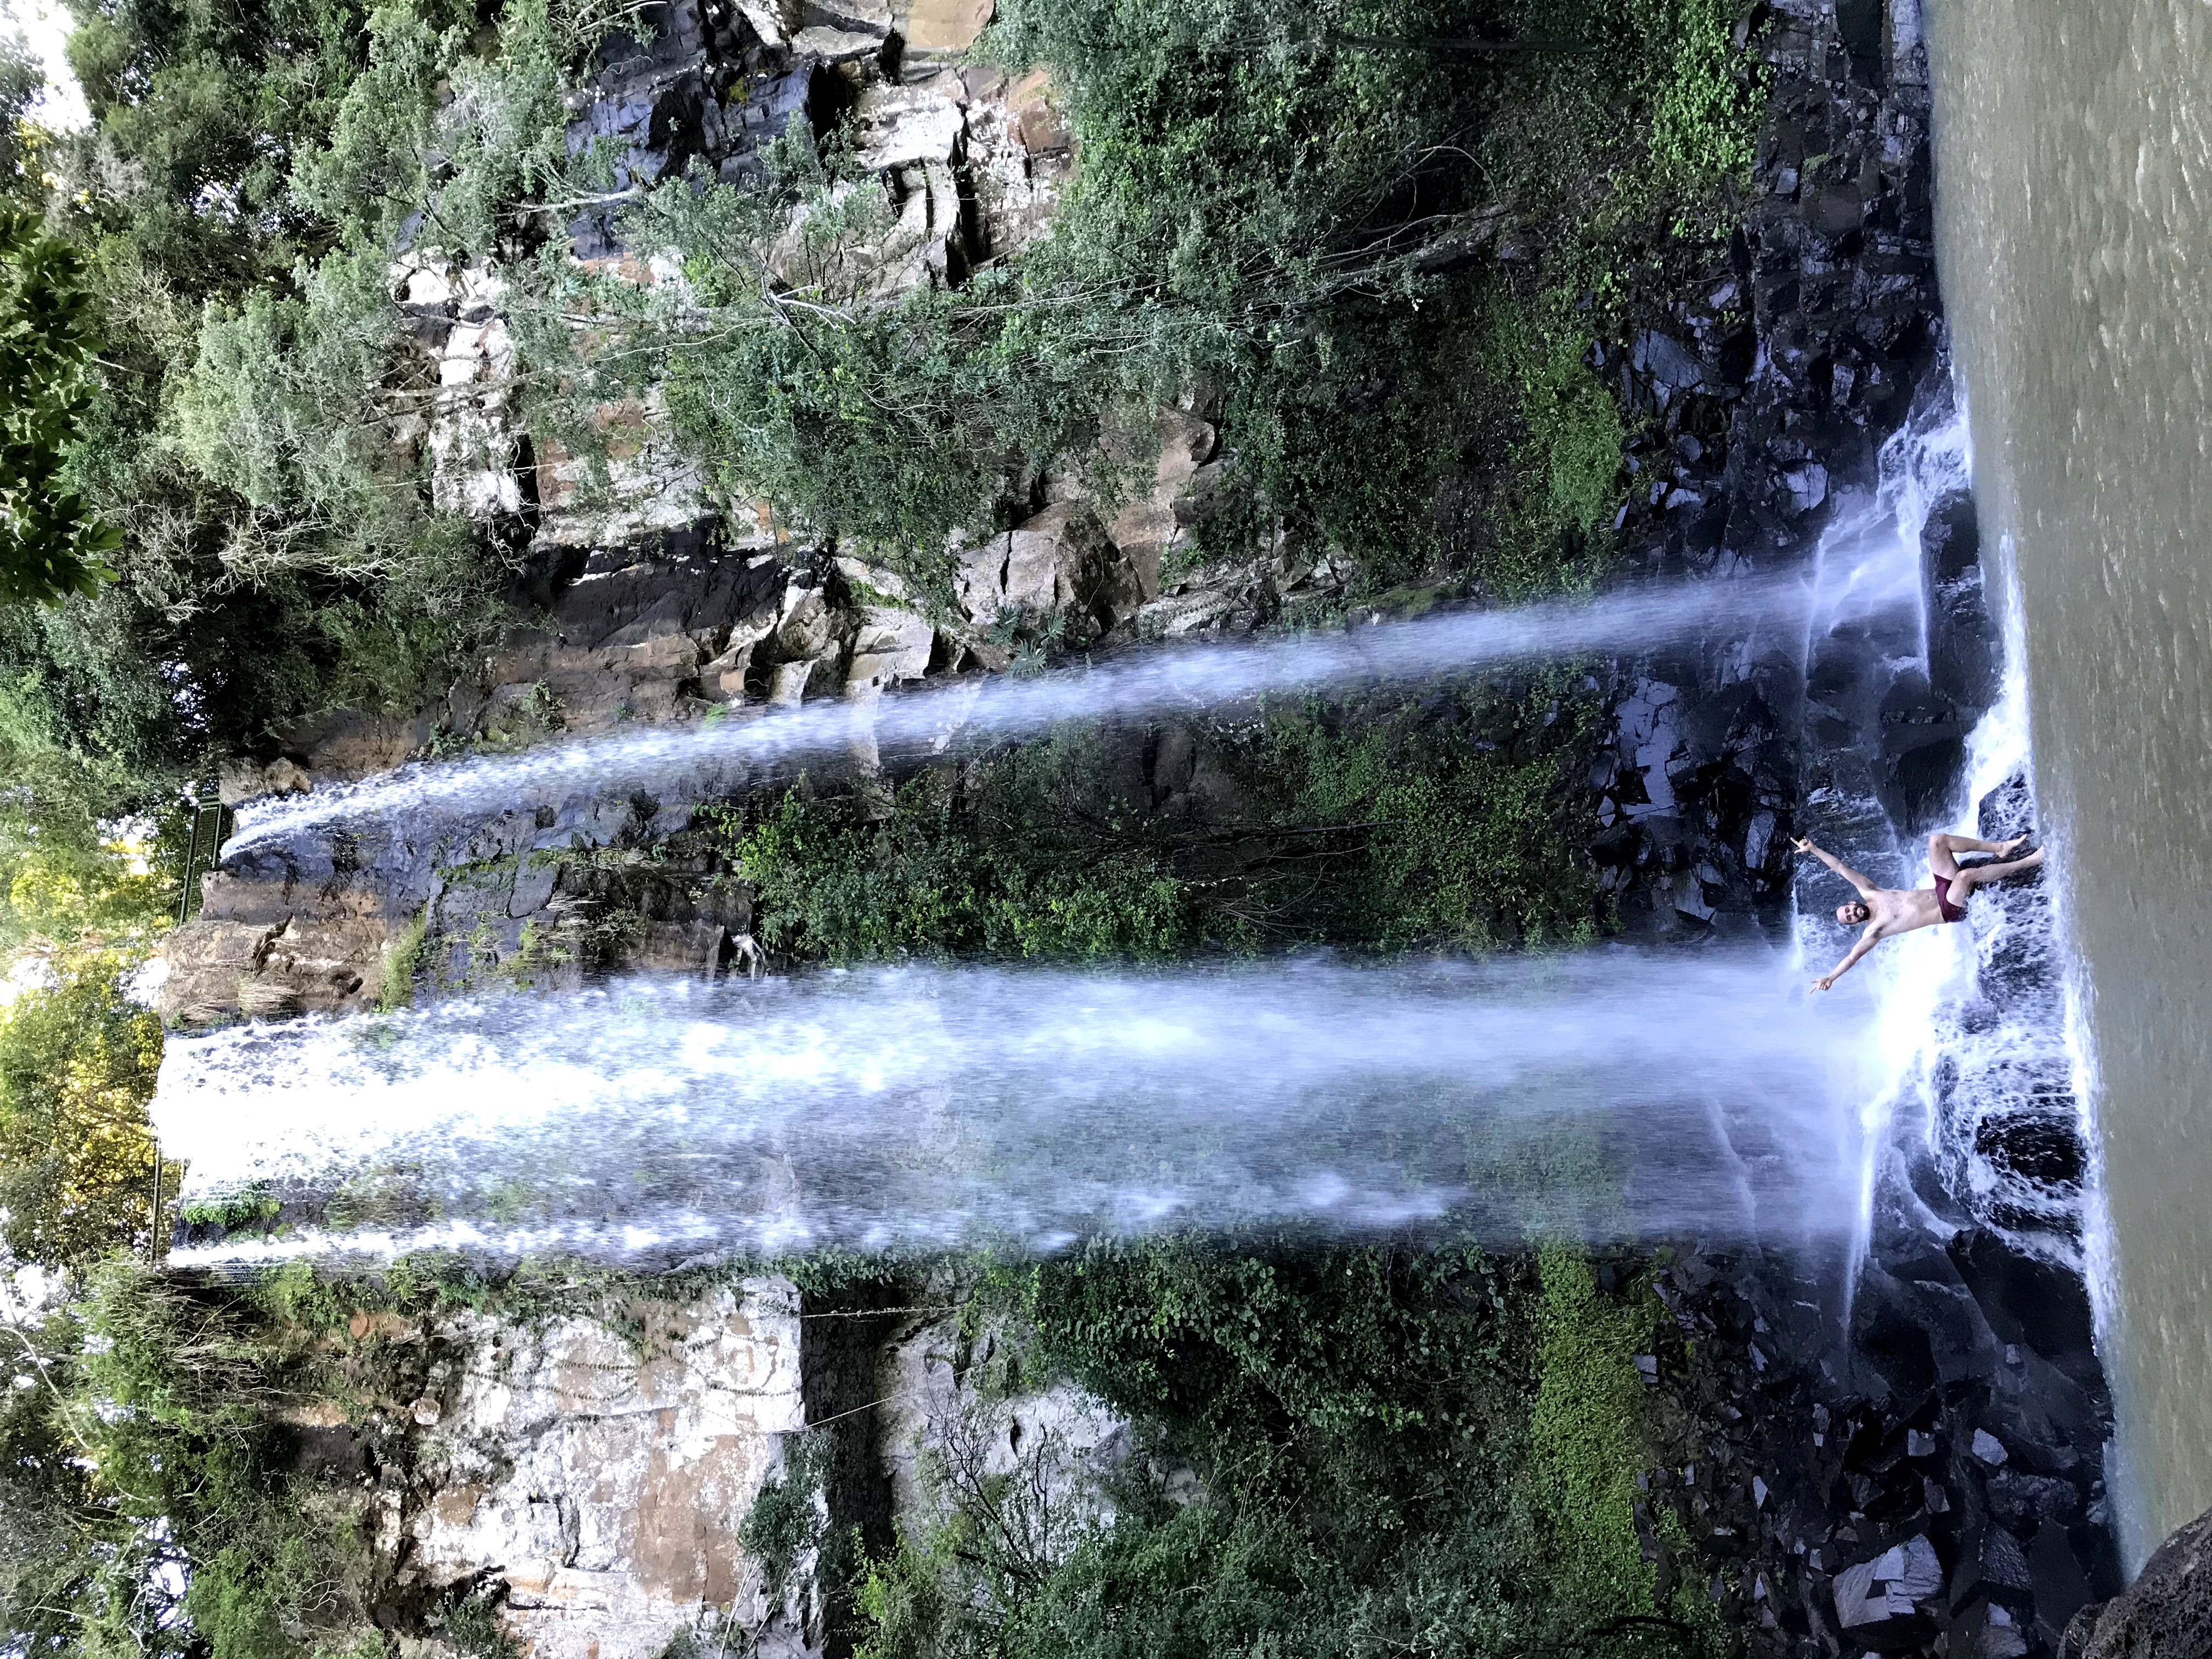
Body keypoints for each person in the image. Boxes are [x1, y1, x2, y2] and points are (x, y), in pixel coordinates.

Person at [1795, 832, 2044, 991]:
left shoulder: (1870, 891)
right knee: (1967, 876)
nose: (1853, 913)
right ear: (1855, 924)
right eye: (1850, 918)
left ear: (1851, 902)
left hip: (1942, 888)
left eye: (1849, 910)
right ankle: (2031, 861)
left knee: (1937, 841)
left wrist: (1814, 849)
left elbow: (1840, 867)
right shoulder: (1875, 930)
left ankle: (2000, 848)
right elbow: (1852, 957)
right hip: (1949, 909)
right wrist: (1830, 978)